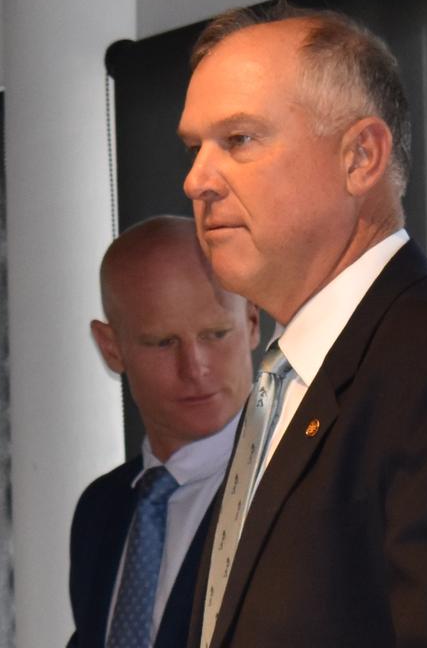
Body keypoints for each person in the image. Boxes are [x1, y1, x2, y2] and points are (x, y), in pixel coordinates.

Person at [177, 5, 427, 647]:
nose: (196, 180)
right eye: (195, 148)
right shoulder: (287, 382)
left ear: (361, 157)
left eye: (239, 140)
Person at [67, 215, 260, 648]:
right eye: (162, 342)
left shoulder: (298, 490)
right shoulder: (100, 510)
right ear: (111, 347)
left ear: (251, 321)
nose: (196, 368)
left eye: (215, 333)